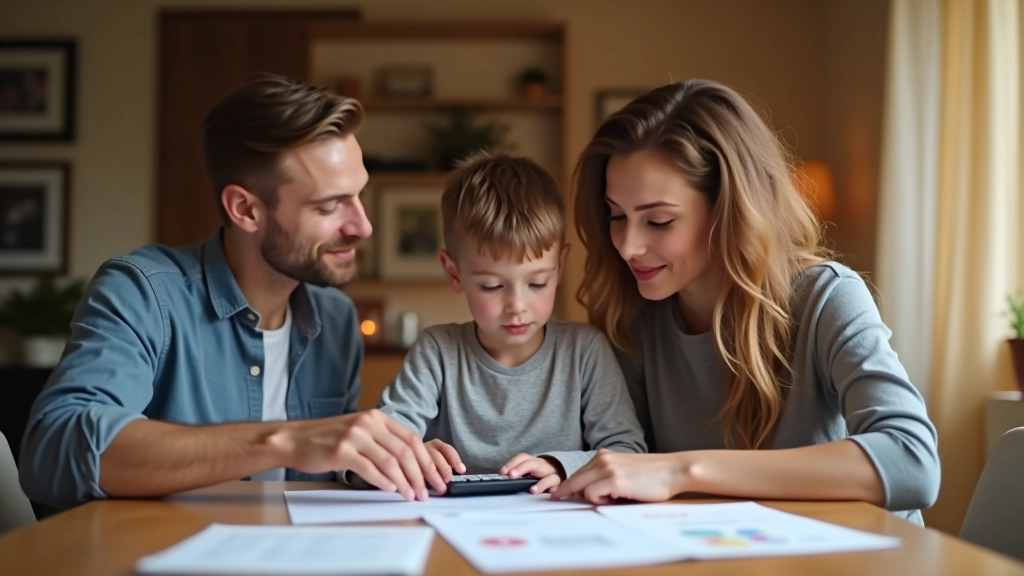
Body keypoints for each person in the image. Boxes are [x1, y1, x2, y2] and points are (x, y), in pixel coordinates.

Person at [20, 74, 445, 510]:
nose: (363, 226)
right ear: (245, 209)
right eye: (328, 205)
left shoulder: (334, 318)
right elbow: (56, 447)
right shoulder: (142, 292)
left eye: (359, 196)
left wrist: (387, 462)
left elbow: (325, 466)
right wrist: (283, 440)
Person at [552, 79, 940, 525]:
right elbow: (618, 458)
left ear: (730, 211)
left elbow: (914, 463)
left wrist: (683, 468)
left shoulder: (827, 297)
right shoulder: (637, 319)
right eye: (617, 216)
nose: (627, 245)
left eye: (658, 220)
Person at [375, 152, 646, 494]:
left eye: (537, 283)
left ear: (560, 267)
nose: (517, 306)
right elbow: (376, 444)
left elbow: (629, 451)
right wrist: (407, 455)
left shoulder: (584, 350)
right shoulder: (437, 351)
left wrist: (560, 466)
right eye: (492, 286)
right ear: (453, 272)